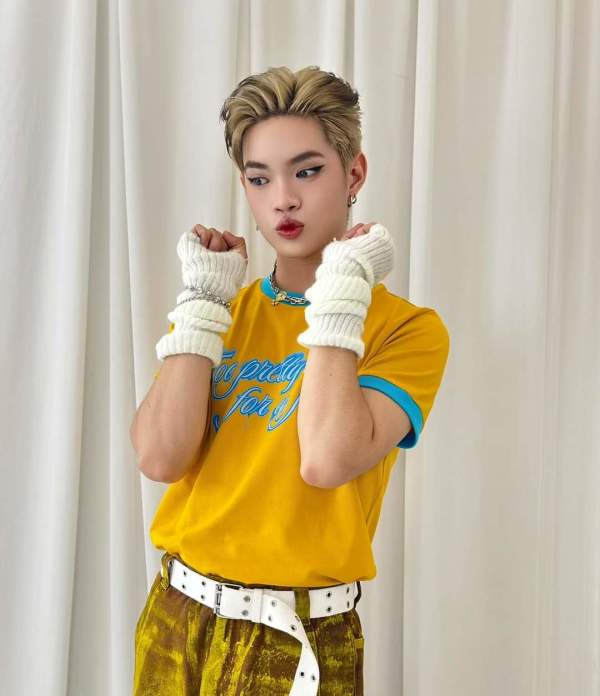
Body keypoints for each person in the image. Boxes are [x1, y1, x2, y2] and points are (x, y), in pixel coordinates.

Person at [131, 65, 450, 695]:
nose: (283, 198)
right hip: (176, 615)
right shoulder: (220, 309)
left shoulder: (407, 330)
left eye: (307, 171)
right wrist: (202, 304)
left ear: (353, 174)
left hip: (297, 633)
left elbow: (326, 460)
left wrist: (342, 290)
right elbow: (159, 457)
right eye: (260, 178)